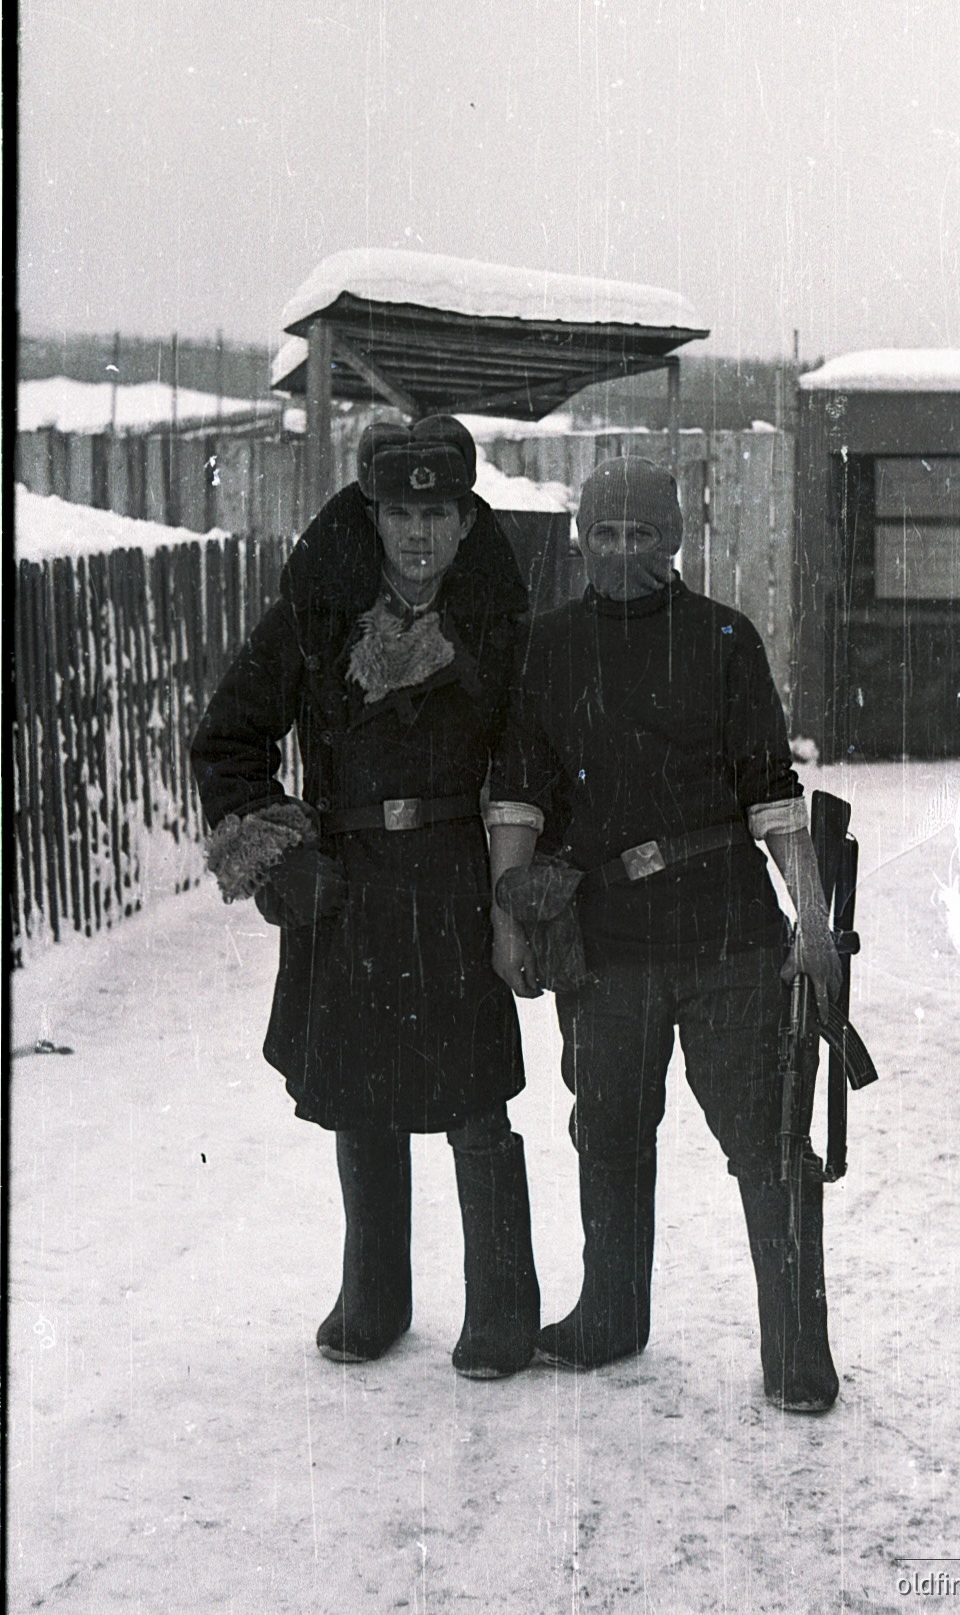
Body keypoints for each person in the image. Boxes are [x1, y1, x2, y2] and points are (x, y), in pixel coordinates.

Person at [487, 455, 844, 1411]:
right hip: (605, 948)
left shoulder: (726, 640)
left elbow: (772, 791)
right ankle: (611, 1314)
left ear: (674, 539)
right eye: (604, 533)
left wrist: (810, 917)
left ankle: (797, 1349)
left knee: (767, 1144)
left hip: (726, 935)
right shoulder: (547, 648)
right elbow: (518, 793)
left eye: (643, 533)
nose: (623, 552)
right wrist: (507, 915)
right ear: (581, 539)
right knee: (606, 1133)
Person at [191, 414, 540, 1380]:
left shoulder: (504, 623)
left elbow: (534, 753)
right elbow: (227, 741)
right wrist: (273, 849)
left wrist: (525, 880)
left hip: (456, 883)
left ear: (468, 521)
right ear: (373, 516)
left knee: (474, 1096)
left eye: (440, 512)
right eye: (400, 512)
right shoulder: (316, 615)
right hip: (344, 890)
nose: (419, 534)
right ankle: (374, 1297)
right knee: (361, 1095)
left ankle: (505, 1307)